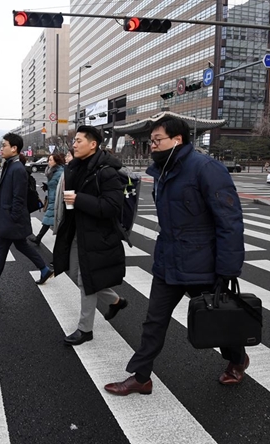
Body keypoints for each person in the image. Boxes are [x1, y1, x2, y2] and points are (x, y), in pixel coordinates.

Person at [104, 116, 245, 396]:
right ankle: (141, 376)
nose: (152, 145)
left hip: (202, 263)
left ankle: (237, 359)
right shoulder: (163, 170)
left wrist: (228, 268)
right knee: (154, 320)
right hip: (168, 261)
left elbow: (229, 220)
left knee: (216, 319)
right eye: (151, 141)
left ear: (177, 139)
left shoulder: (206, 169)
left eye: (158, 140)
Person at [52, 126, 128, 346]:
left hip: (98, 236)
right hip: (77, 232)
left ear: (93, 144)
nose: (73, 144)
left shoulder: (106, 171)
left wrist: (78, 199)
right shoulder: (77, 167)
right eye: (73, 141)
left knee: (85, 280)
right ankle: (115, 301)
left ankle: (85, 329)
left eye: (78, 141)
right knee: (77, 273)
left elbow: (112, 207)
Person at [0, 133, 54, 294]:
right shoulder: (11, 165)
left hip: (11, 218)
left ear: (14, 148)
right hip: (11, 217)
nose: (1, 148)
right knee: (20, 245)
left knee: (1, 250)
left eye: (4, 145)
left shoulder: (17, 168)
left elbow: (19, 197)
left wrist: (13, 218)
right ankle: (44, 269)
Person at [29, 153, 65, 246]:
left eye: (51, 160)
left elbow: (61, 186)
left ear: (56, 161)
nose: (49, 162)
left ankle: (38, 238)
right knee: (53, 220)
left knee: (49, 219)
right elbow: (53, 184)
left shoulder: (60, 172)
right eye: (48, 159)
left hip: (57, 199)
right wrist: (47, 186)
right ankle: (39, 238)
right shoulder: (51, 171)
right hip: (51, 198)